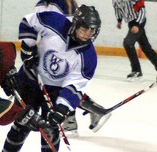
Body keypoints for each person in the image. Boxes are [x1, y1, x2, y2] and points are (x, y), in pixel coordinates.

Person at [0, 4, 103, 152]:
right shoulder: (55, 21)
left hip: (55, 91)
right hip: (30, 79)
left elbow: (75, 86)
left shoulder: (89, 57)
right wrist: (28, 49)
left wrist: (62, 108)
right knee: (21, 125)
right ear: (75, 24)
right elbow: (29, 21)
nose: (86, 35)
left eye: (91, 31)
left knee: (51, 129)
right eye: (84, 29)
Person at [34, 0, 111, 137]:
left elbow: (70, 30)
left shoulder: (64, 3)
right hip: (56, 53)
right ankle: (93, 110)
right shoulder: (46, 3)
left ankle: (71, 121)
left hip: (66, 54)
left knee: (64, 87)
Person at [113, 0, 157, 81]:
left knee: (128, 43)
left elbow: (142, 10)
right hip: (131, 23)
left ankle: (136, 71)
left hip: (139, 21)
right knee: (146, 48)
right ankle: (137, 71)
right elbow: (117, 9)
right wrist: (119, 20)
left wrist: (137, 24)